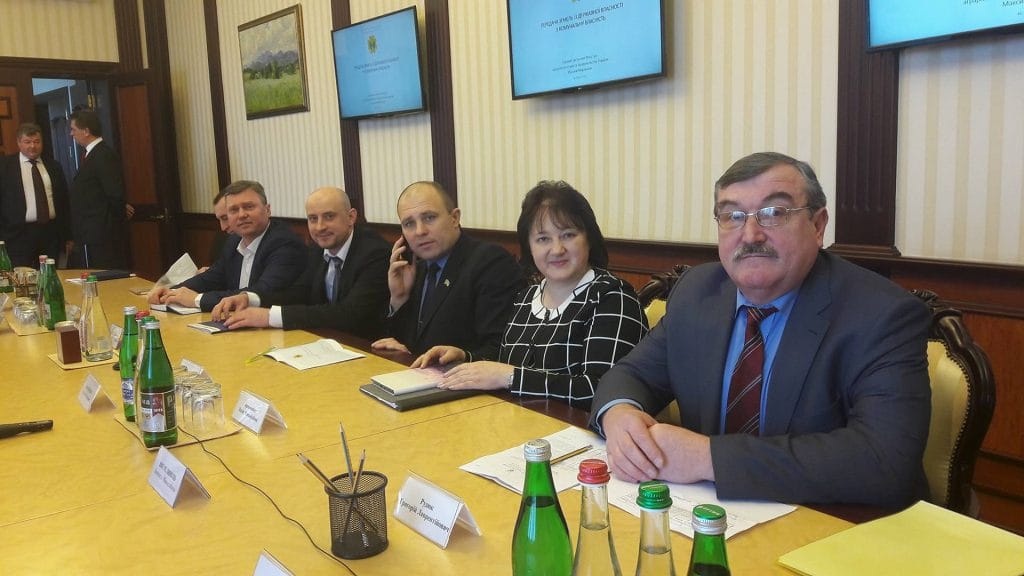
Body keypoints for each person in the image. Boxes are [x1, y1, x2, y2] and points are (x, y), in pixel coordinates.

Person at [590, 152, 931, 508]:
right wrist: (619, 414)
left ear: (818, 226)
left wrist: (707, 458)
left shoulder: (882, 314)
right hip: (709, 516)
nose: (750, 235)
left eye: (774, 213)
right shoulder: (698, 292)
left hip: (838, 524)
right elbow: (631, 375)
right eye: (732, 216)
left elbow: (884, 461)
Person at [412, 181, 649, 411]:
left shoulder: (612, 297)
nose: (557, 249)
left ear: (589, 239)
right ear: (530, 247)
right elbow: (503, 365)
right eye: (543, 239)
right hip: (520, 425)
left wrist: (512, 377)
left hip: (580, 432)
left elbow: (602, 391)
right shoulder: (527, 298)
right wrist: (465, 357)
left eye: (568, 235)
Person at [210, 186, 390, 339]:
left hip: (367, 347)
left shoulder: (374, 253)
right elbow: (299, 292)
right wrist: (250, 298)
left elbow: (348, 313)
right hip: (327, 342)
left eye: (329, 217)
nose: (320, 227)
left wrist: (271, 316)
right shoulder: (317, 248)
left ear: (351, 217)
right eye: (313, 219)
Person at [371, 181, 525, 360]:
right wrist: (398, 299)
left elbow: (501, 349)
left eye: (429, 218)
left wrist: (464, 357)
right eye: (409, 223)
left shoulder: (490, 262)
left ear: (455, 218)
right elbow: (407, 344)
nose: (420, 231)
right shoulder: (415, 269)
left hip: (463, 376)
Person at [148, 180, 306, 311]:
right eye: (234, 210)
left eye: (249, 207)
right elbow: (212, 277)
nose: (242, 215)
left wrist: (197, 299)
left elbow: (260, 292)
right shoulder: (234, 241)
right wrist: (172, 291)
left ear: (268, 210)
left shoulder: (284, 243)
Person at [67, 109, 133, 269]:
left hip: (103, 234)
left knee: (106, 275)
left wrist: (114, 221)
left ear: (86, 131)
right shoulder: (91, 154)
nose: (71, 134)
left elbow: (114, 194)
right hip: (92, 233)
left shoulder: (103, 155)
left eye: (73, 129)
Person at [0, 123, 71, 267]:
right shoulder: (4, 167)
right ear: (19, 142)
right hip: (17, 236)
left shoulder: (54, 166)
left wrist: (68, 236)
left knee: (50, 275)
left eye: (37, 142)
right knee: (22, 276)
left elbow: (64, 202)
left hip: (50, 234)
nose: (32, 146)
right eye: (27, 142)